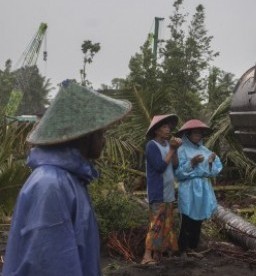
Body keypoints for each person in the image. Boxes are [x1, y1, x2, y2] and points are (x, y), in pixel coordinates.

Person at [2, 81, 131, 276]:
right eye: (101, 134)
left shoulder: (68, 179)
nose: (104, 141)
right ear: (84, 135)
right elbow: (50, 265)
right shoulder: (51, 184)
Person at [174, 119, 223, 258]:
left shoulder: (205, 150)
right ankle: (182, 249)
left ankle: (193, 247)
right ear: (188, 134)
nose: (197, 135)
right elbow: (178, 173)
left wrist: (211, 162)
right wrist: (192, 162)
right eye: (194, 133)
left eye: (199, 133)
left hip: (203, 188)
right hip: (189, 187)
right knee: (187, 217)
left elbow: (213, 171)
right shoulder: (181, 149)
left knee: (198, 218)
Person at [141, 114, 182, 265]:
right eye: (165, 127)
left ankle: (159, 255)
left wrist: (175, 150)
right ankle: (146, 257)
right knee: (156, 224)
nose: (168, 130)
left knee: (167, 224)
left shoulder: (168, 145)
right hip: (158, 192)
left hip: (169, 192)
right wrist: (172, 149)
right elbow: (159, 167)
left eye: (169, 127)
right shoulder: (152, 146)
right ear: (156, 130)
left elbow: (176, 166)